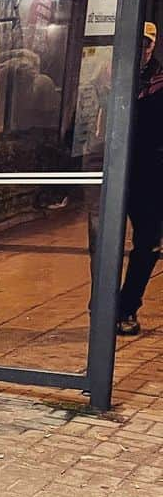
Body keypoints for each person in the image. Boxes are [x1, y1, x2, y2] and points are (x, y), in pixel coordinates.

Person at [116, 21, 163, 335]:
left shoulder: (160, 85)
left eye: (147, 44)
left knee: (147, 242)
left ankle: (127, 307)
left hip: (150, 176)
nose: (143, 50)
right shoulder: (113, 79)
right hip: (116, 172)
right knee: (103, 243)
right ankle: (104, 307)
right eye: (138, 44)